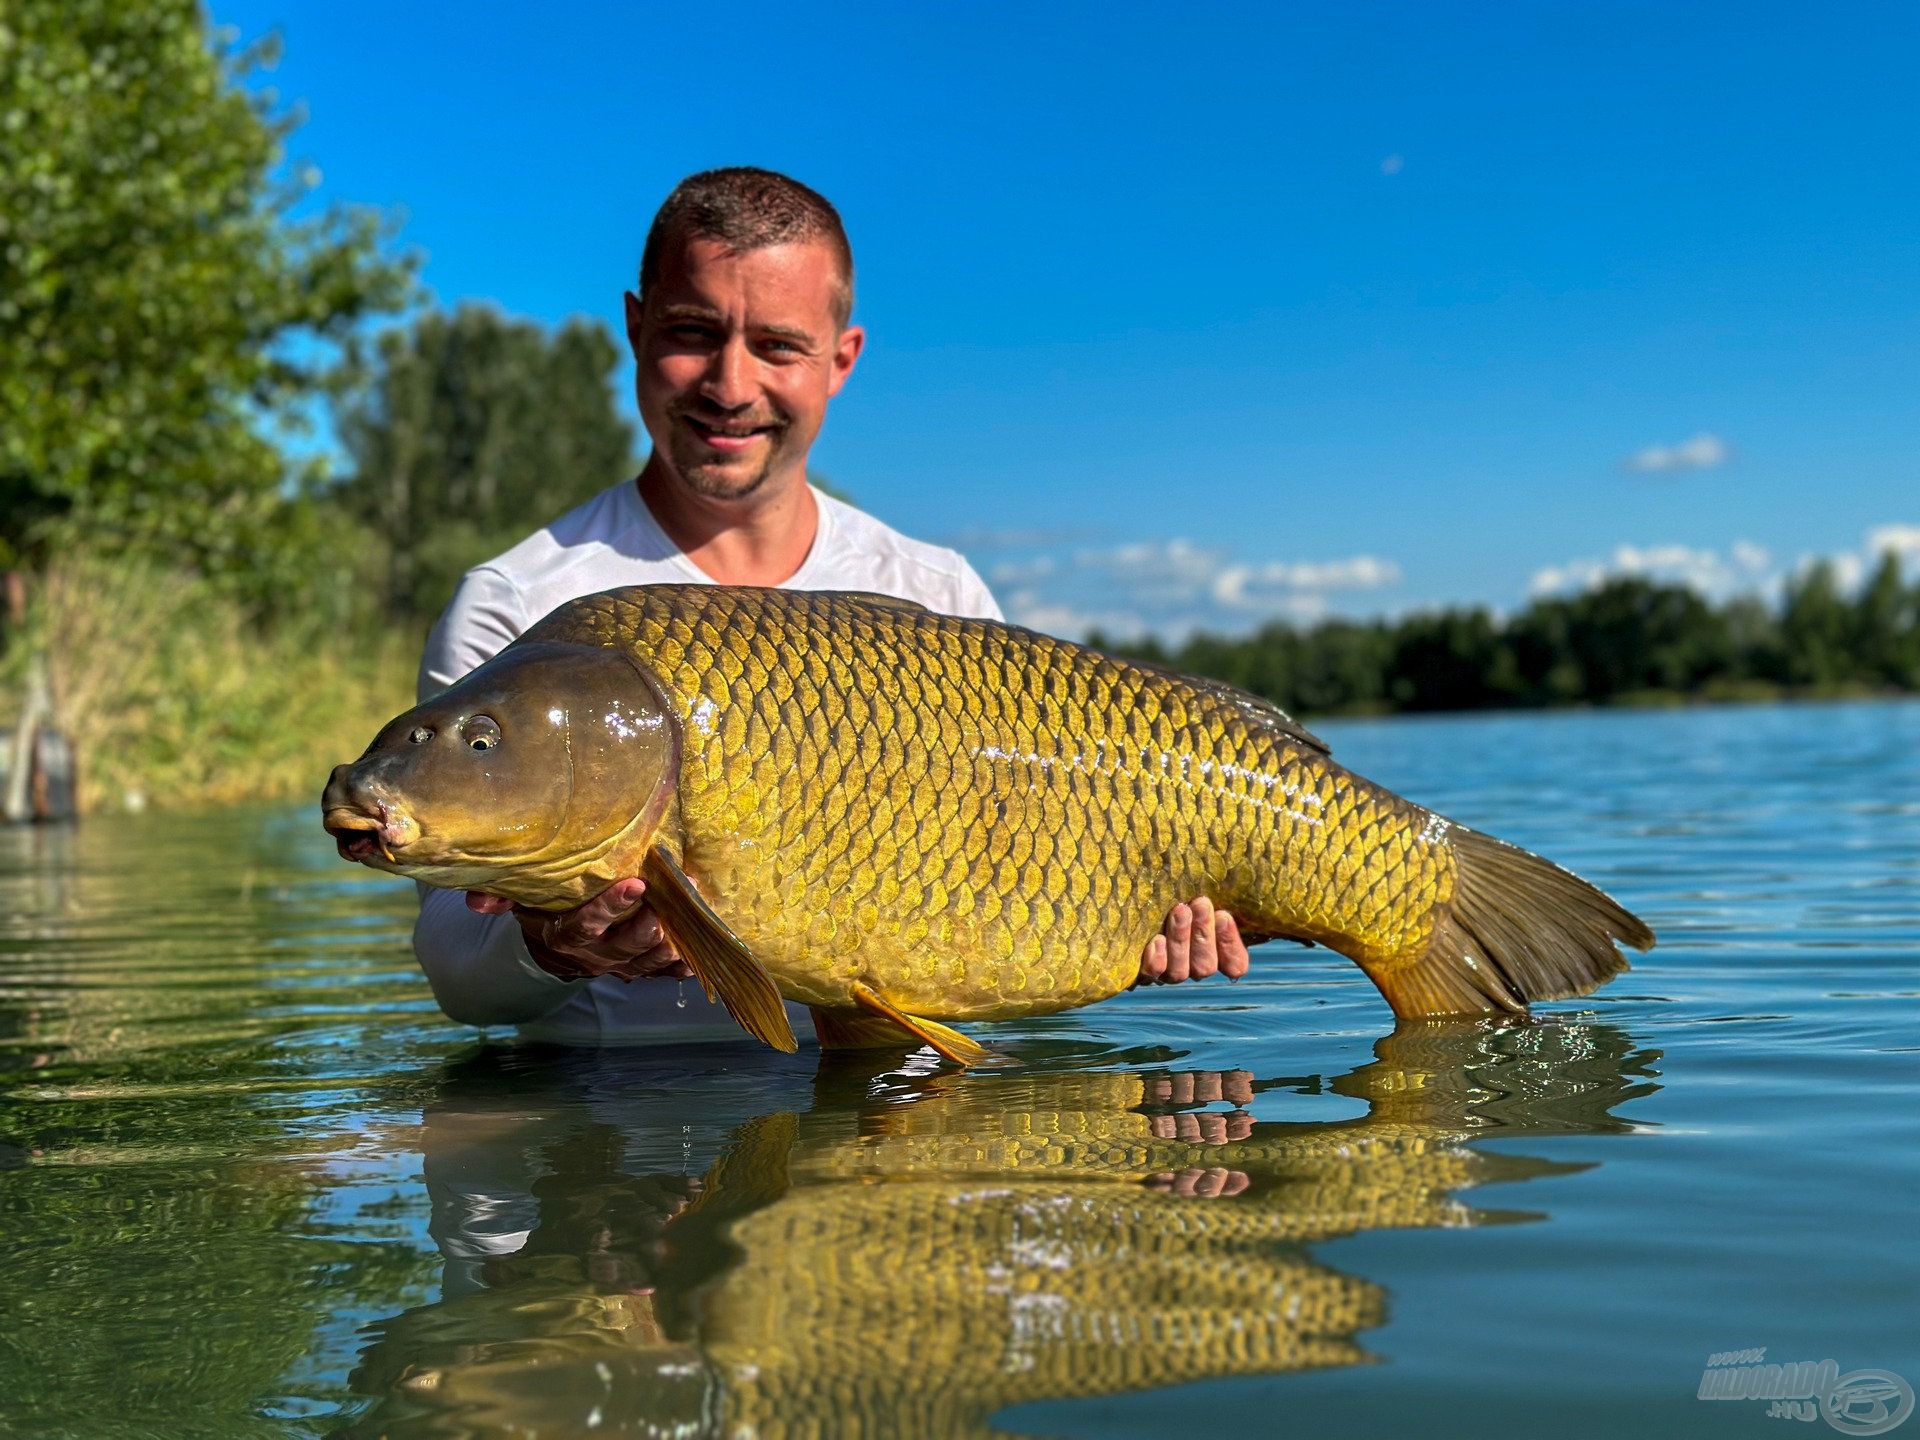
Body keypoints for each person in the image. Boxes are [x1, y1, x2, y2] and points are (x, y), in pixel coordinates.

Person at [414, 167, 1249, 1043]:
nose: (730, 385)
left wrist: (1130, 922)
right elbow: (457, 974)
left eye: (777, 346)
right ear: (634, 327)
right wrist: (549, 948)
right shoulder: (519, 605)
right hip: (611, 1120)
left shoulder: (937, 591)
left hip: (896, 1105)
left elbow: (1023, 897)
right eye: (693, 333)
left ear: (840, 359)